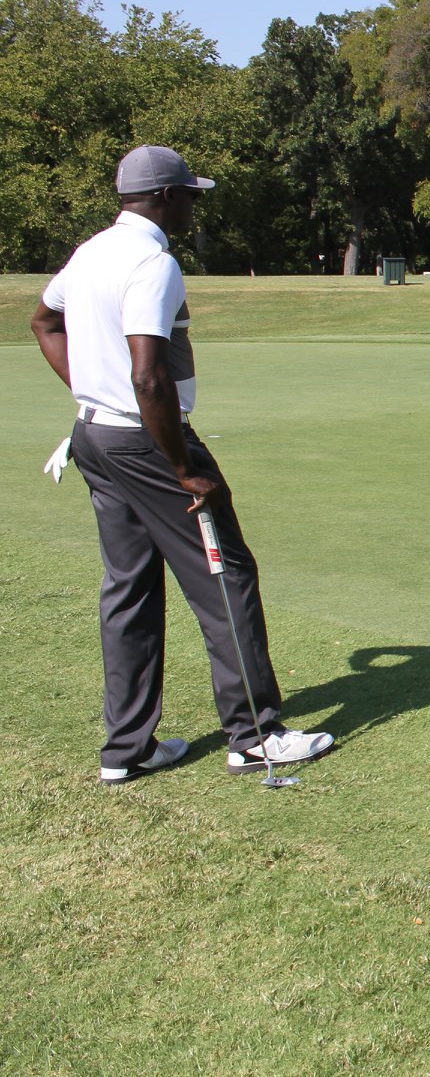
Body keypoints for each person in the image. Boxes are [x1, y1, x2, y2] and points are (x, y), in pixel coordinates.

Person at [29, 145, 335, 784]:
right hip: (146, 443)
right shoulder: (152, 261)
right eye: (191, 195)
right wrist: (184, 468)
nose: (196, 206)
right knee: (226, 574)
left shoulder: (90, 252)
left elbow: (44, 319)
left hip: (96, 439)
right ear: (167, 197)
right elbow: (148, 376)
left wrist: (90, 393)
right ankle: (255, 737)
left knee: (130, 588)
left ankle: (129, 749)